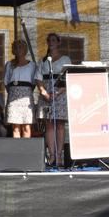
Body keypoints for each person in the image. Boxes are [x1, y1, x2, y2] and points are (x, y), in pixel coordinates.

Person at [39, 33, 73, 166]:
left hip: (60, 93)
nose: (51, 42)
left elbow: (68, 77)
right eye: (49, 40)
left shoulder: (65, 59)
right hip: (46, 94)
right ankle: (52, 155)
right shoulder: (43, 60)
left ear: (59, 42)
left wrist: (58, 92)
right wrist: (44, 92)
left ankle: (59, 155)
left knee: (59, 124)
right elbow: (38, 78)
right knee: (49, 124)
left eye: (53, 40)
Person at [3, 39, 41, 138]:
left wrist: (26, 91)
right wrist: (13, 92)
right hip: (13, 97)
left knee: (26, 127)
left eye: (20, 47)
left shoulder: (32, 65)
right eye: (16, 47)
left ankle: (26, 147)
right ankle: (16, 148)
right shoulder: (9, 64)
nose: (18, 49)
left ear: (25, 50)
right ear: (13, 50)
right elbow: (6, 82)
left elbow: (34, 82)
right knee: (15, 128)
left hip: (26, 97)